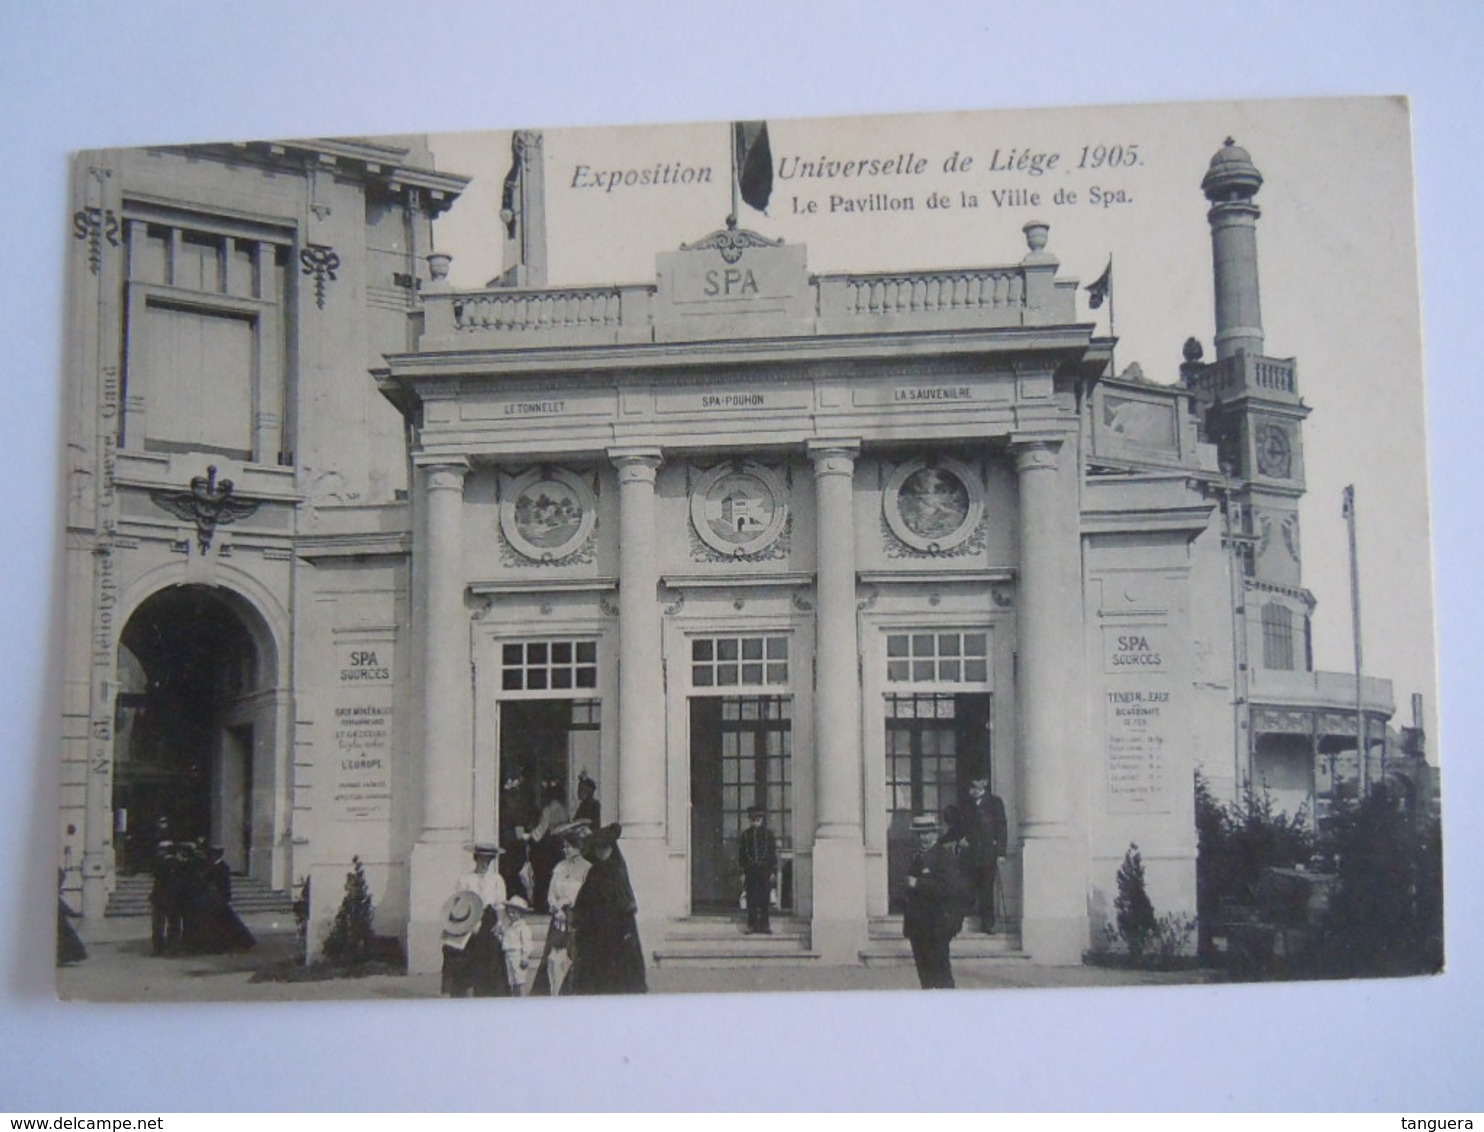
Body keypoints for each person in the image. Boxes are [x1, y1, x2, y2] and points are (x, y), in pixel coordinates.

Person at [567, 823, 647, 995]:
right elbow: (584, 902)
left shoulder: (616, 871)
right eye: (597, 848)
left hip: (615, 935)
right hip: (595, 934)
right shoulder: (595, 871)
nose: (599, 852)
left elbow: (624, 907)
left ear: (610, 848)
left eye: (603, 848)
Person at [902, 812, 966, 989]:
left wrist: (918, 883)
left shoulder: (944, 857)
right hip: (918, 926)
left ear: (935, 834)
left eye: (928, 833)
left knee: (941, 974)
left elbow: (950, 889)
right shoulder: (916, 857)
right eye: (920, 834)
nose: (923, 838)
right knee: (925, 976)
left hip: (937, 925)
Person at [442, 842, 508, 997]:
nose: (485, 864)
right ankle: (466, 994)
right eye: (482, 860)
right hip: (470, 919)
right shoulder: (465, 879)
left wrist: (499, 923)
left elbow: (500, 905)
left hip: (489, 919)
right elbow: (460, 902)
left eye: (489, 860)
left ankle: (487, 995)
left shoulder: (496, 879)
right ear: (476, 859)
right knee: (467, 959)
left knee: (490, 959)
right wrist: (469, 922)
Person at [532, 822, 591, 995]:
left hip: (576, 918)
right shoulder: (560, 867)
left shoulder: (587, 868)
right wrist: (556, 909)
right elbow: (551, 893)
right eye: (564, 847)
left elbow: (586, 894)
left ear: (578, 847)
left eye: (569, 847)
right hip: (558, 918)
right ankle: (552, 991)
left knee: (574, 956)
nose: (565, 850)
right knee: (553, 956)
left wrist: (571, 908)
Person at [965, 775, 1009, 933]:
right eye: (970, 786)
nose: (972, 789)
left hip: (988, 853)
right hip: (969, 853)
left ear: (984, 783)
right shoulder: (967, 805)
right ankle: (964, 919)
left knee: (986, 889)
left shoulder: (994, 803)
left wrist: (1001, 852)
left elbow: (1002, 827)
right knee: (968, 885)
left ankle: (987, 923)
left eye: (976, 784)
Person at [194, 846, 255, 953]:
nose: (211, 857)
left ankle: (242, 942)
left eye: (213, 854)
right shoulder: (213, 866)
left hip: (220, 898)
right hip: (215, 899)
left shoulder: (222, 867)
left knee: (227, 922)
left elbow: (222, 884)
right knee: (224, 922)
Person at [521, 780, 568, 912]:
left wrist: (528, 837)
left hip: (548, 847)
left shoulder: (549, 809)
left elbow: (541, 830)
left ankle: (542, 905)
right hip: (559, 846)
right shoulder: (563, 810)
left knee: (543, 876)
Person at [738, 804, 778, 934]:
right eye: (753, 819)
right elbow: (742, 855)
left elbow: (772, 853)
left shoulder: (768, 835)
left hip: (765, 871)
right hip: (750, 871)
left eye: (758, 819)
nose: (755, 822)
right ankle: (752, 924)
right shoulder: (745, 835)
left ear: (761, 819)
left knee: (764, 898)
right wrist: (743, 872)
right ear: (749, 820)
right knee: (752, 898)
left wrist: (772, 871)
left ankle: (765, 924)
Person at [501, 895, 535, 995]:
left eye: (514, 912)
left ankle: (522, 999)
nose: (511, 915)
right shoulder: (509, 927)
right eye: (509, 912)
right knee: (511, 980)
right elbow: (506, 939)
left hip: (517, 955)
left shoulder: (523, 928)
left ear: (521, 914)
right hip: (508, 954)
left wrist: (524, 957)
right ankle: (514, 999)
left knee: (519, 980)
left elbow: (527, 944)